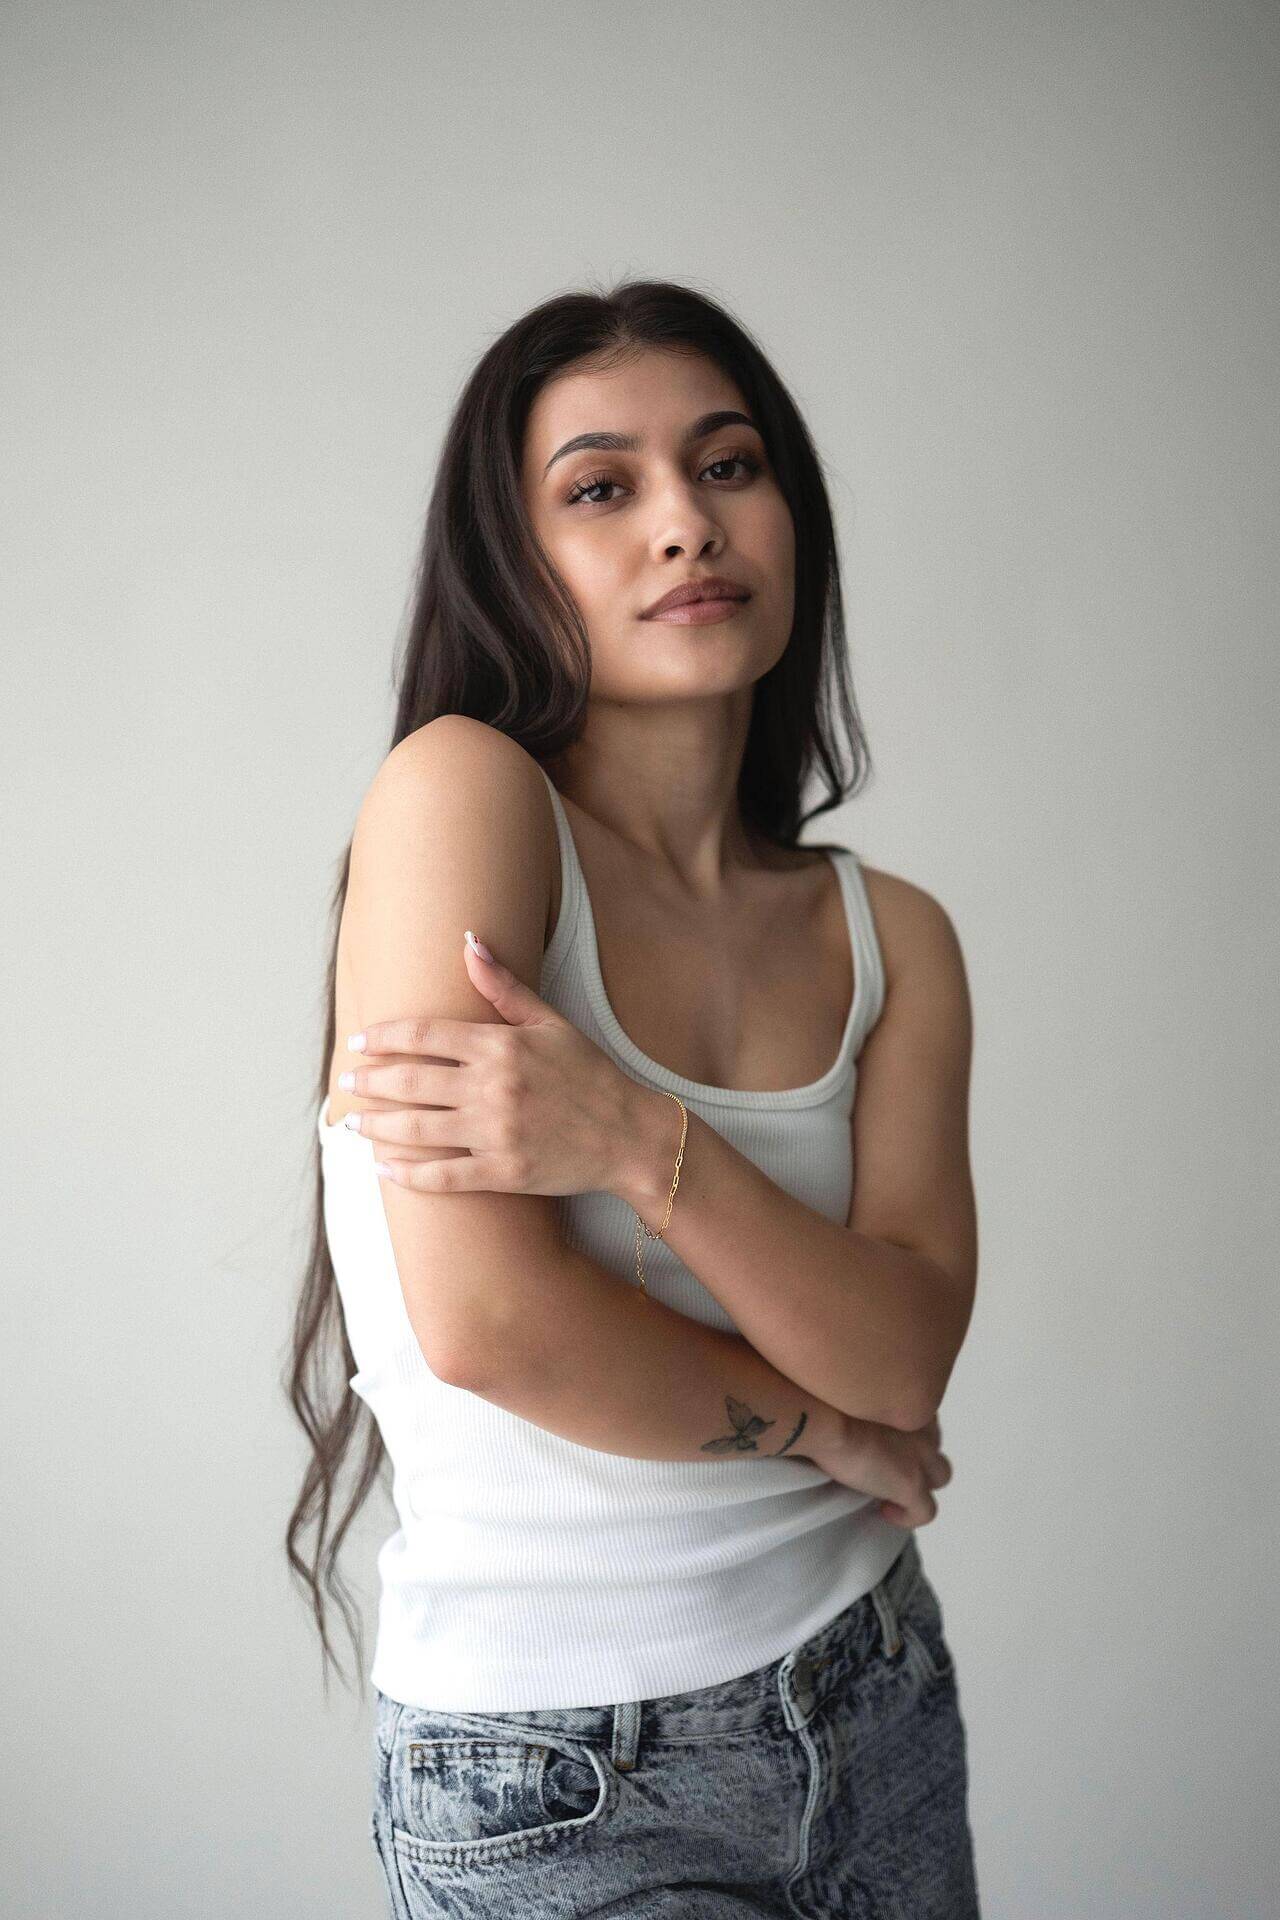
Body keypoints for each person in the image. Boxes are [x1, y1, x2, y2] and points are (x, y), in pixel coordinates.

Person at [286, 278, 981, 1916]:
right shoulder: (461, 795)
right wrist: (816, 1424)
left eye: (728, 466)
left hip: (873, 1690)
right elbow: (489, 1326)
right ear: (514, 561)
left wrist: (629, 1137)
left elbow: (905, 1350)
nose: (685, 523)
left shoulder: (895, 940)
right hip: (562, 1779)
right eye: (602, 487)